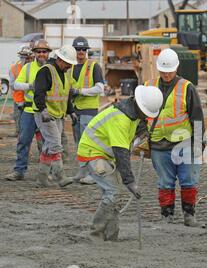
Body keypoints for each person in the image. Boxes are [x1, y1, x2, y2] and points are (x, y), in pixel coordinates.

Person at [77, 85, 163, 241]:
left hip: (105, 154)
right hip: (92, 153)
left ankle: (111, 236)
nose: (146, 116)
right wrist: (130, 182)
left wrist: (142, 131)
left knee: (113, 193)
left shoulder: (132, 112)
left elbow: (138, 127)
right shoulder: (120, 119)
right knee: (113, 192)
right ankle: (95, 234)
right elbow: (121, 154)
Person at [144, 48, 205, 227]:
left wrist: (199, 142)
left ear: (176, 68)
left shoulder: (187, 87)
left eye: (169, 71)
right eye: (163, 71)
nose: (167, 75)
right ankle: (166, 216)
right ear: (158, 69)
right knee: (165, 182)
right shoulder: (148, 86)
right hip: (158, 146)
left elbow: (197, 116)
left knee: (189, 181)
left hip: (184, 144)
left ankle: (189, 216)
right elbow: (140, 115)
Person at [4, 40, 51, 181]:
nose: (41, 54)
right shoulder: (28, 68)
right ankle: (19, 170)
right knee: (23, 140)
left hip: (46, 111)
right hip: (29, 110)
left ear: (48, 53)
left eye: (44, 51)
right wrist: (30, 86)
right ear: (34, 53)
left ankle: (47, 173)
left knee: (47, 143)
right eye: (38, 52)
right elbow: (17, 84)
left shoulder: (52, 68)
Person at [33, 44, 78, 188]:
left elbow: (66, 96)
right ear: (60, 59)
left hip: (57, 115)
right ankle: (61, 176)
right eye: (68, 63)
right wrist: (43, 110)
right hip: (44, 114)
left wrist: (71, 111)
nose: (69, 67)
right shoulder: (46, 71)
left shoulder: (64, 74)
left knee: (48, 146)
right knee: (55, 144)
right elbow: (38, 92)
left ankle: (41, 179)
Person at [69, 36, 105, 185]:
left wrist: (80, 91)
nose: (81, 52)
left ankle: (94, 174)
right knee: (79, 143)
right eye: (78, 49)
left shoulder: (93, 66)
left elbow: (100, 88)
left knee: (89, 142)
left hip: (89, 110)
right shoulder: (70, 67)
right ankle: (82, 171)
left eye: (84, 49)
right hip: (75, 110)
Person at [8, 44, 34, 137]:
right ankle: (19, 133)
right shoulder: (14, 68)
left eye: (30, 58)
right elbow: (12, 85)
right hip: (19, 100)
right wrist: (28, 86)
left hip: (31, 102)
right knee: (18, 120)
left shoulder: (34, 68)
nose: (28, 60)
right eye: (26, 58)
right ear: (21, 57)